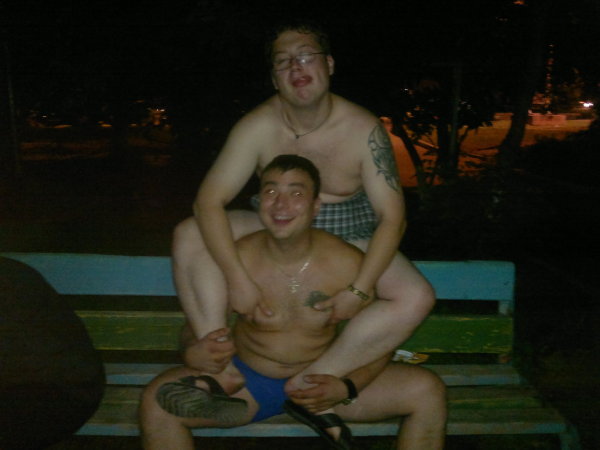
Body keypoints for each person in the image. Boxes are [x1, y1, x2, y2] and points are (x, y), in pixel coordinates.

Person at [171, 20, 435, 397]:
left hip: (348, 234)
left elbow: (393, 218)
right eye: (283, 61)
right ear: (274, 78)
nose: (296, 67)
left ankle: (315, 379)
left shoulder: (364, 129)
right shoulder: (256, 126)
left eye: (307, 56)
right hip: (278, 225)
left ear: (329, 64)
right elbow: (208, 201)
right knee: (189, 233)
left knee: (416, 296)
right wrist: (238, 280)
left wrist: (359, 290)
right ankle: (219, 360)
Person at [140, 155, 446, 449]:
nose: (281, 204)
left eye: (296, 193)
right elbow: (197, 325)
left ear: (316, 207)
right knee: (157, 403)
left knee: (426, 391)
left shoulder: (346, 263)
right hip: (246, 383)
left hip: (322, 386)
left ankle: (319, 408)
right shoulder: (235, 261)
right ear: (259, 203)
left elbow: (380, 340)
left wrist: (348, 386)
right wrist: (193, 351)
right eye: (270, 191)